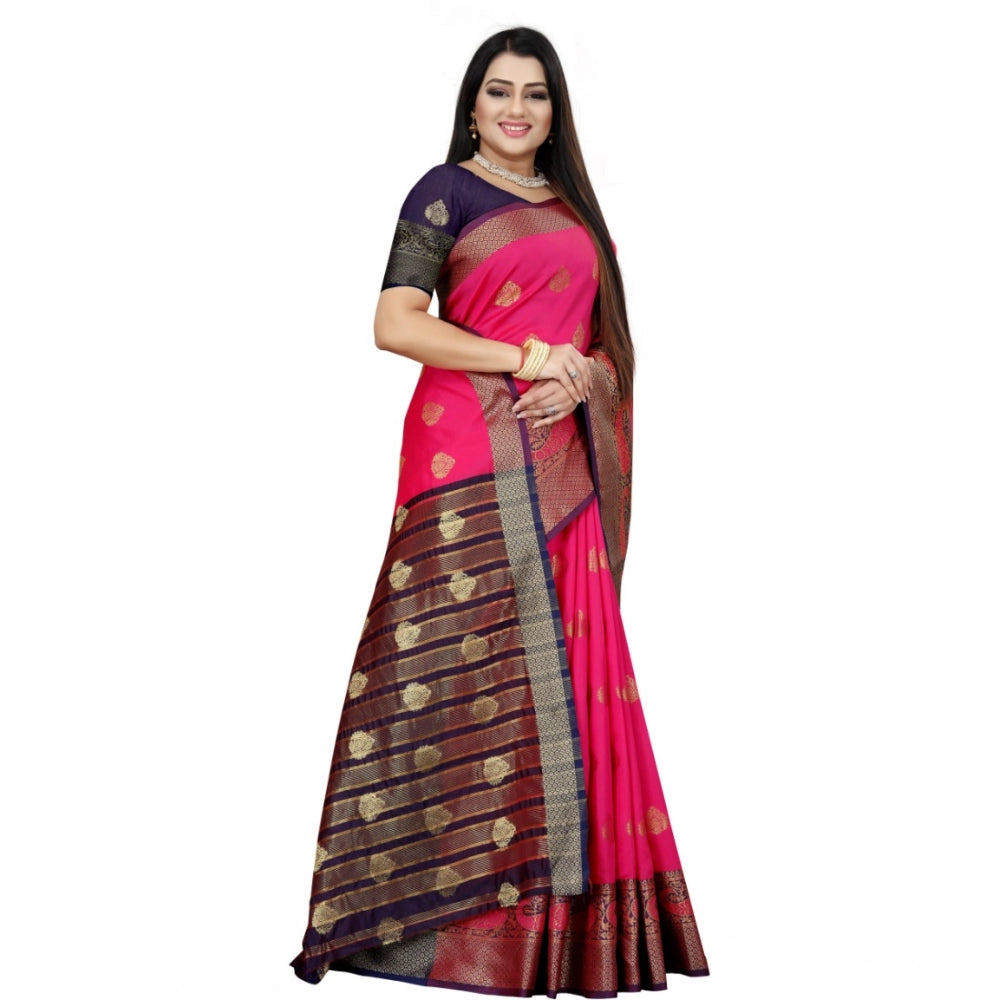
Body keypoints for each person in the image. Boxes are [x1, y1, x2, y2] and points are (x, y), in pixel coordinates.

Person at [291, 26, 709, 996]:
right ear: (472, 106)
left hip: (559, 461)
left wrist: (581, 378)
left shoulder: (573, 210)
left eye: (535, 93)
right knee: (437, 666)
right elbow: (395, 322)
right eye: (498, 91)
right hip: (462, 457)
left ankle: (555, 939)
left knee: (564, 676)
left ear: (555, 112)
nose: (516, 108)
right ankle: (406, 921)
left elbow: (608, 351)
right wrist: (526, 358)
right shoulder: (443, 193)